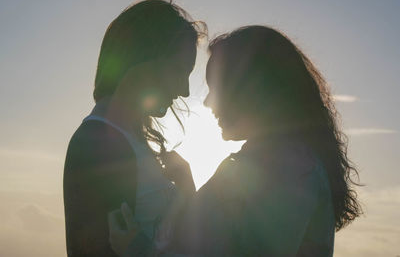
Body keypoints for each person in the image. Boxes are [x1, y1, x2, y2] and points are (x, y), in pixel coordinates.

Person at [110, 26, 362, 256]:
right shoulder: (274, 162)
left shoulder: (288, 167)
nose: (208, 102)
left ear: (249, 88)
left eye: (215, 88)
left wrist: (137, 249)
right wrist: (188, 189)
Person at [63, 0, 205, 256]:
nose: (185, 90)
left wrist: (187, 190)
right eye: (179, 70)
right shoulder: (99, 144)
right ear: (144, 59)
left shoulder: (131, 139)